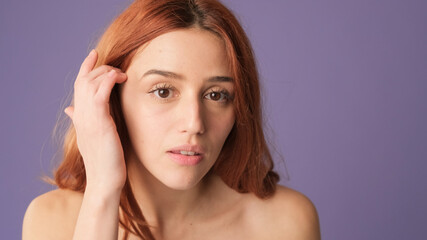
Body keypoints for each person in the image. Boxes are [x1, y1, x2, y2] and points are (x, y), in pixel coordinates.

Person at [22, 0, 320, 239]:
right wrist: (103, 190)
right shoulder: (52, 222)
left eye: (216, 95)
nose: (194, 123)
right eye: (163, 91)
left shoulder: (285, 223)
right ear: (111, 98)